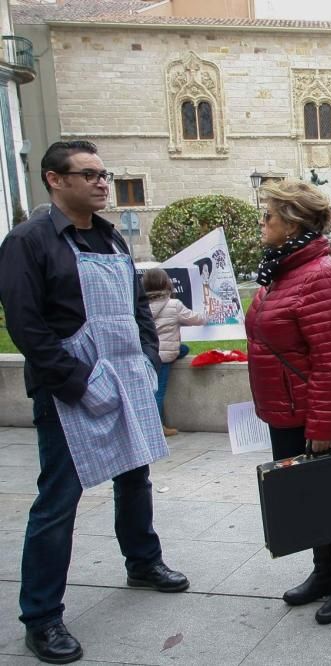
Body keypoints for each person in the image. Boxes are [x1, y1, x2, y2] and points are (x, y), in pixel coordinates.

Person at [0, 140, 188, 664]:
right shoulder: (28, 241)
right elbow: (26, 326)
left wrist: (148, 361)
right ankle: (41, 617)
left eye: (104, 174)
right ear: (54, 181)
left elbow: (135, 310)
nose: (102, 183)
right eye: (89, 175)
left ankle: (142, 561)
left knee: (136, 477)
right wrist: (77, 382)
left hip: (127, 378)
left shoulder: (110, 238)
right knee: (57, 502)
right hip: (69, 391)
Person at [245, 179, 331, 625]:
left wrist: (322, 430)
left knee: (330, 497)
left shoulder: (318, 275)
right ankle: (323, 572)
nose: (263, 221)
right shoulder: (282, 269)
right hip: (283, 408)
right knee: (304, 497)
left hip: (310, 412)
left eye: (269, 215)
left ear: (292, 223)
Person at [141, 268, 206, 437]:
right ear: (166, 283)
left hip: (147, 353)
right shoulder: (173, 305)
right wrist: (208, 315)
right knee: (159, 391)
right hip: (164, 357)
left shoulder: (140, 305)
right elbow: (195, 319)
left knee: (182, 349)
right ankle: (157, 428)